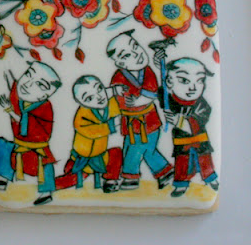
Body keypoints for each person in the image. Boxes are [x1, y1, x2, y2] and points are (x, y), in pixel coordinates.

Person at [107, 30, 174, 190]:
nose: (136, 54)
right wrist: (125, 102)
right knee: (142, 149)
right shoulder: (118, 77)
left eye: (135, 46)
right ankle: (165, 172)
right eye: (127, 55)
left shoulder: (148, 72)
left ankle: (131, 178)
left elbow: (151, 93)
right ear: (120, 63)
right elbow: (118, 98)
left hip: (150, 121)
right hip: (131, 122)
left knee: (136, 149)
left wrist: (137, 101)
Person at [0, 62, 61, 205]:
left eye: (39, 85)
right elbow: (13, 85)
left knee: (46, 167)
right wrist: (5, 67)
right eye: (28, 74)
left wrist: (9, 110)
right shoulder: (21, 96)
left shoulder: (44, 107)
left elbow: (28, 125)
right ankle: (2, 178)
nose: (28, 84)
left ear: (45, 95)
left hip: (36, 151)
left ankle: (46, 193)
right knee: (1, 146)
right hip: (18, 147)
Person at [156, 57, 219, 197]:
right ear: (170, 82)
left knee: (205, 161)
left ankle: (211, 179)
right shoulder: (169, 100)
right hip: (181, 141)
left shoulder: (202, 105)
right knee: (182, 163)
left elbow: (199, 121)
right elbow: (160, 93)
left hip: (200, 140)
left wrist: (179, 121)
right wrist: (160, 66)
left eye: (200, 80)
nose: (193, 88)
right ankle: (181, 185)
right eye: (184, 81)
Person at [67, 75, 125, 193]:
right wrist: (113, 124)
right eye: (89, 98)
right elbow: (93, 131)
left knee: (116, 153)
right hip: (84, 159)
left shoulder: (110, 103)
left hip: (102, 155)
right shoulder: (82, 116)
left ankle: (110, 181)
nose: (99, 97)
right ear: (81, 103)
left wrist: (116, 91)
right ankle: (48, 189)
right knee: (69, 180)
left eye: (99, 88)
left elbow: (120, 109)